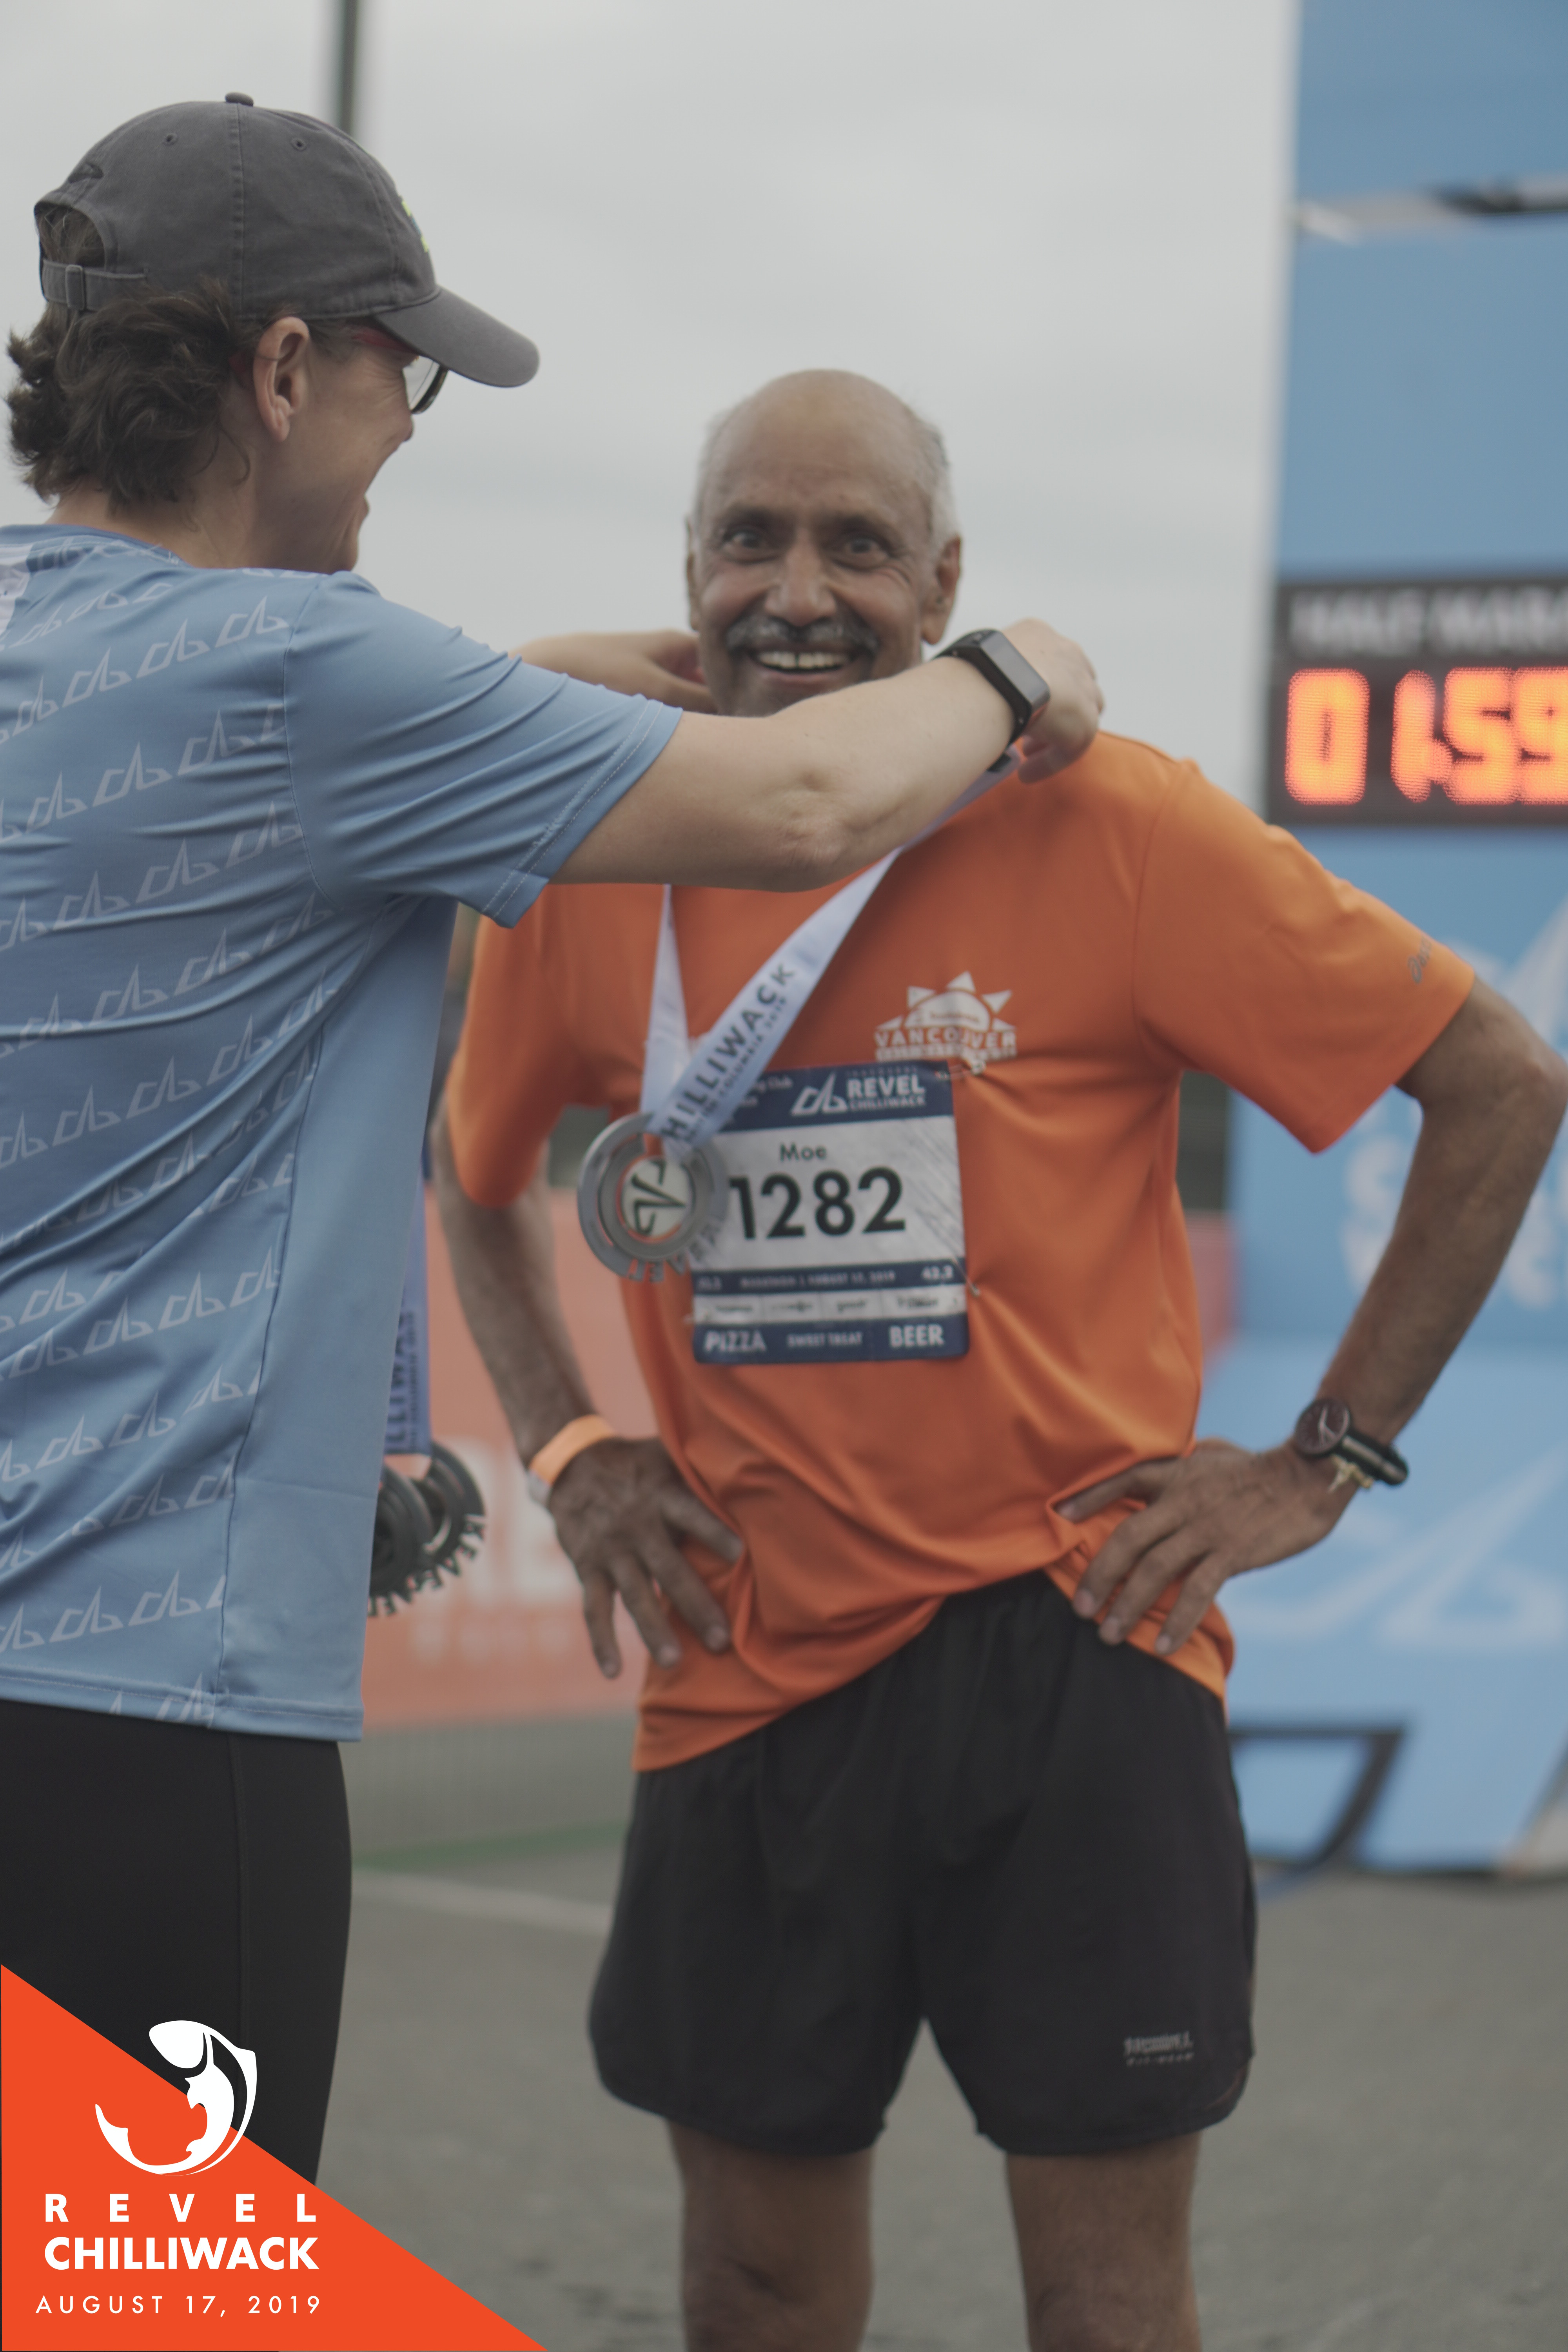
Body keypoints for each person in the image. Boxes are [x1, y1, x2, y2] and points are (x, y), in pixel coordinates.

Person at [0, 105, 1100, 2186]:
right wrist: (1013, 667)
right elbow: (808, 808)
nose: (402, 440)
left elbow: (275, 753)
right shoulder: (309, 679)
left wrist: (557, 682)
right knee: (152, 2309)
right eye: (399, 380)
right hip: (145, 1709)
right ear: (282, 371)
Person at [435, 369, 1568, 2352]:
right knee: (752, 2285)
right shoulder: (602, 853)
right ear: (688, 571)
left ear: (944, 583)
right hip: (743, 1651)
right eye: (750, 539)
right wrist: (568, 1444)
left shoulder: (1115, 825)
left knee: (1104, 2300)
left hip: (1077, 1646)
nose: (799, 592)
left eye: (857, 545)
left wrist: (1321, 1461)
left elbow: (1498, 1083)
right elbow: (475, 1178)